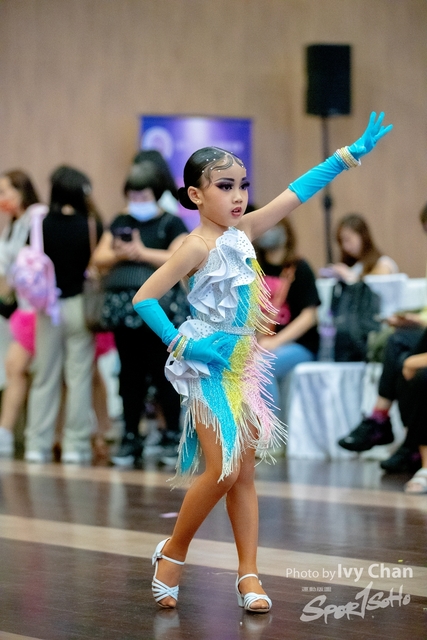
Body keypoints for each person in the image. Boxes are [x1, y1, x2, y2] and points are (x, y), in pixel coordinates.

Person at [131, 112, 392, 610]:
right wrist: (183, 345)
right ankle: (173, 551)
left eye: (242, 185)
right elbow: (145, 298)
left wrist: (346, 156)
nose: (238, 196)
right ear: (195, 195)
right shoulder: (194, 246)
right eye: (224, 186)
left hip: (244, 367)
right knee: (223, 470)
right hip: (208, 367)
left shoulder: (244, 231)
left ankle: (248, 575)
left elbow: (296, 193)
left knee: (244, 474)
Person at [91, 161, 188, 467]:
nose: (137, 201)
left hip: (160, 310)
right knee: (129, 375)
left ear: (156, 194)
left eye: (143, 195)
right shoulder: (121, 220)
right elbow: (99, 256)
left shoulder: (171, 223)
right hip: (123, 312)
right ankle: (131, 436)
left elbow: (180, 256)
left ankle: (171, 435)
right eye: (133, 195)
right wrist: (120, 253)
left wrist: (141, 252)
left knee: (164, 372)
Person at [338, 203, 427, 475]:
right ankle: (397, 435)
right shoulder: (358, 266)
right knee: (396, 343)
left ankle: (387, 427)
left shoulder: (380, 264)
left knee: (406, 360)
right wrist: (415, 318)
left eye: (348, 239)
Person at [24, 166, 103, 463]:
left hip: (48, 307)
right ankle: (75, 446)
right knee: (79, 377)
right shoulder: (91, 225)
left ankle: (37, 444)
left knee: (44, 376)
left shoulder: (40, 225)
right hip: (81, 306)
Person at [254, 217, 321, 410]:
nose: (268, 231)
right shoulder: (254, 268)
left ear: (286, 232)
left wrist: (276, 342)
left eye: (274, 226)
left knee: (260, 367)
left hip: (299, 345)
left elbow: (309, 317)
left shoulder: (300, 268)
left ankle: (269, 428)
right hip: (262, 342)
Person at [0, 170, 42, 457]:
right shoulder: (12, 226)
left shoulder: (37, 218)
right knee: (15, 368)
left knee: (20, 368)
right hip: (22, 310)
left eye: (5, 191)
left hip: (41, 309)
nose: (2, 198)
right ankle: (7, 433)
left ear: (21, 191)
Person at [324, 213, 398, 283]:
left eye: (348, 239)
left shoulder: (383, 264)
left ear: (362, 236)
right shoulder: (353, 266)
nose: (344, 246)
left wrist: (350, 277)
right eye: (341, 241)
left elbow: (376, 288)